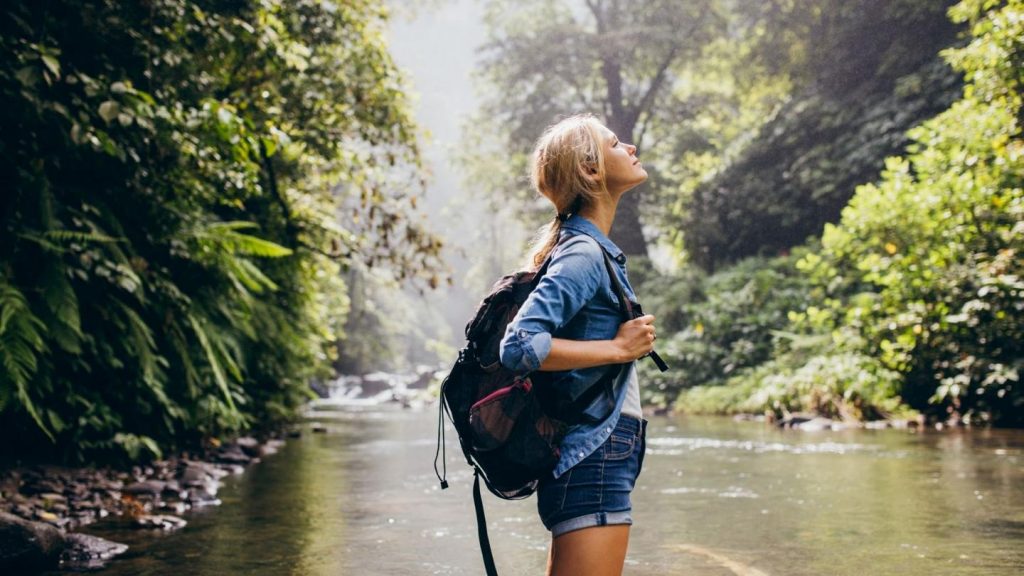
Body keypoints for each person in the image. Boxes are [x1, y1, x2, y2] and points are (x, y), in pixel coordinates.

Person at [499, 113, 657, 576]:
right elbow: (520, 345)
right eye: (614, 144)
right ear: (591, 170)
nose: (628, 147)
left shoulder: (592, 250)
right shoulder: (584, 253)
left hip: (597, 454)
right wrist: (618, 349)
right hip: (594, 455)